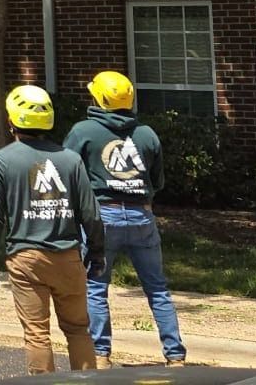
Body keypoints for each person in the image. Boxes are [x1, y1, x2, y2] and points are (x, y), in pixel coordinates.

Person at [0, 84, 105, 375]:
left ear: (11, 119)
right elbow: (90, 213)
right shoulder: (70, 159)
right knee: (78, 329)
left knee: (37, 333)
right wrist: (97, 253)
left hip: (26, 259)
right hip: (69, 257)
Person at [64, 70, 185, 368]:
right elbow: (158, 181)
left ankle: (101, 354)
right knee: (157, 288)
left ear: (99, 98)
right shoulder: (146, 133)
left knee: (95, 286)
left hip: (101, 217)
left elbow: (67, 171)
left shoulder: (83, 131)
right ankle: (175, 355)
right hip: (142, 215)